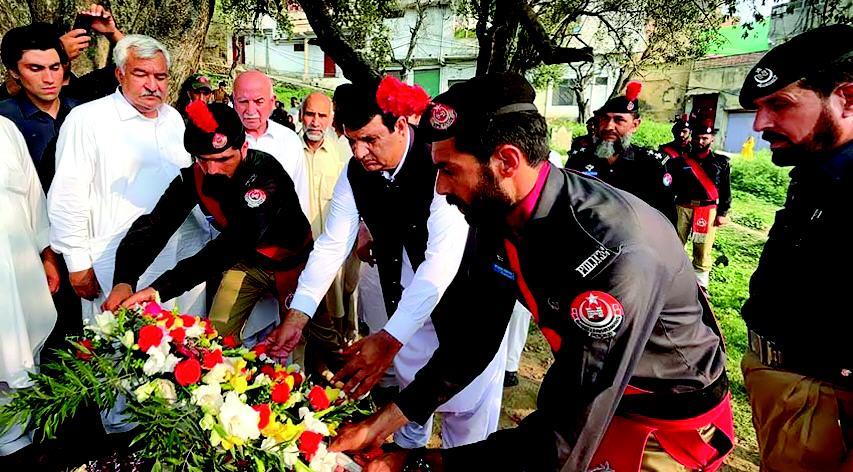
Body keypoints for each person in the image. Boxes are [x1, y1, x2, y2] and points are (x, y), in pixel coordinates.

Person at [343, 72, 733, 472]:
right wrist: (384, 422)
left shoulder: (611, 249)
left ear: (507, 161)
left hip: (661, 427)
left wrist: (420, 463)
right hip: (600, 400)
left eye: (449, 170)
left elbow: (564, 438)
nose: (440, 187)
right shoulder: (498, 211)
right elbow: (475, 338)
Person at [265, 77, 513, 450]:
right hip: (407, 290)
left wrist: (388, 339)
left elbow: (441, 261)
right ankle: (407, 450)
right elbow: (333, 244)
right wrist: (298, 315)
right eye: (351, 141)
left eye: (370, 139)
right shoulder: (355, 172)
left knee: (467, 410)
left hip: (469, 292)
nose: (360, 152)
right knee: (411, 386)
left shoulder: (439, 160)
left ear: (399, 125)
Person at [100, 102, 338, 370]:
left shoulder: (265, 175)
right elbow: (155, 226)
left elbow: (231, 245)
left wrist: (159, 290)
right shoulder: (195, 177)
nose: (212, 170)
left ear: (243, 148)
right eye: (204, 160)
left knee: (323, 340)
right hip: (249, 263)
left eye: (224, 159)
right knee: (214, 337)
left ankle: (347, 382)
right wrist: (124, 279)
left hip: (292, 264)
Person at [47, 34, 210, 380]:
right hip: (113, 262)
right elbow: (67, 195)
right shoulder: (88, 119)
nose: (152, 85)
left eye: (160, 76)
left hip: (178, 261)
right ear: (120, 74)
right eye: (141, 74)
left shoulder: (173, 119)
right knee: (120, 363)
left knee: (180, 359)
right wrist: (77, 263)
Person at [737, 24, 853, 472]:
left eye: (779, 105)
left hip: (827, 404)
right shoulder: (815, 170)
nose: (760, 124)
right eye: (758, 108)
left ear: (847, 98)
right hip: (786, 388)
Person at [0, 117, 59, 460]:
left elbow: (34, 200)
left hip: (18, 267)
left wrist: (47, 257)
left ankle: (17, 437)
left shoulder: (6, 129)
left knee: (19, 348)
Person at [565, 82, 677, 223]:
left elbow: (666, 218)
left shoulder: (651, 164)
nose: (609, 126)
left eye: (619, 120)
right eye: (605, 119)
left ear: (634, 125)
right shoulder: (579, 159)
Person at [299, 91, 360, 342]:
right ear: (300, 116)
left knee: (339, 303)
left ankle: (340, 349)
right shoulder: (290, 150)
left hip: (335, 246)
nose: (315, 122)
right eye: (310, 114)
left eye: (322, 116)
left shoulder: (343, 151)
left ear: (331, 118)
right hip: (299, 247)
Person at [233, 71, 309, 216]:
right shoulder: (221, 141)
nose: (250, 111)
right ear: (234, 101)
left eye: (258, 102)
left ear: (272, 102)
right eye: (243, 102)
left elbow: (300, 194)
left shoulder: (289, 140)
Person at [670, 116, 731, 289]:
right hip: (682, 207)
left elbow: (726, 189)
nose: (700, 141)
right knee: (674, 244)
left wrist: (722, 213)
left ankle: (701, 287)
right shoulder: (680, 161)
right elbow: (672, 186)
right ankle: (673, 280)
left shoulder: (721, 162)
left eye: (705, 138)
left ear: (712, 139)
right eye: (697, 137)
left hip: (707, 210)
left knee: (702, 250)